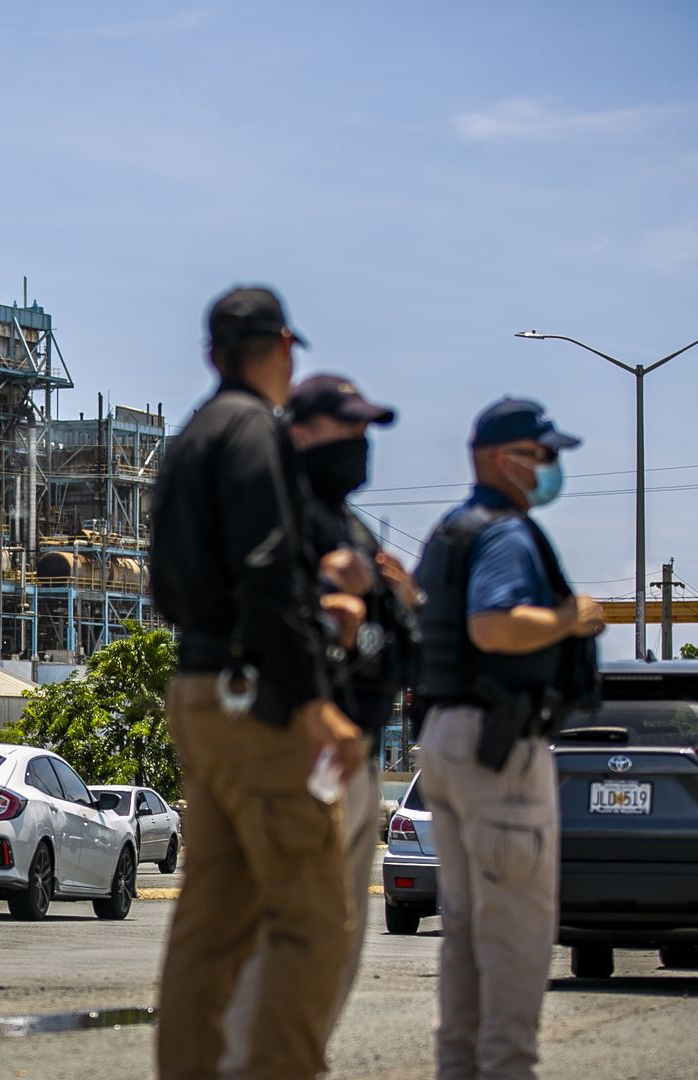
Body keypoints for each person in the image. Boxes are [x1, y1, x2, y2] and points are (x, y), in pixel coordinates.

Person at [149, 285, 364, 1080]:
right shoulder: (255, 434)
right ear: (281, 346)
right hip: (255, 705)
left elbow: (167, 586)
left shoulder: (191, 438)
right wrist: (314, 702)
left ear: (212, 354)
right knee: (313, 923)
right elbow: (269, 573)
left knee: (209, 927)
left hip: (196, 691)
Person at [220, 374, 421, 1077]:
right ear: (300, 431)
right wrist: (355, 625)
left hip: (357, 751)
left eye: (367, 430)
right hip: (302, 746)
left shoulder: (354, 529)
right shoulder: (283, 519)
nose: (361, 445)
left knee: (339, 936)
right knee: (295, 929)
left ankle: (300, 1058)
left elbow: (403, 646)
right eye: (347, 428)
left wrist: (387, 608)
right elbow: (274, 632)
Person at [411, 397, 605, 1080]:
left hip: (445, 739)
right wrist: (569, 617)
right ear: (504, 458)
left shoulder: (448, 532)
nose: (551, 468)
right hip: (498, 747)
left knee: (465, 936)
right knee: (517, 941)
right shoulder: (504, 533)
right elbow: (492, 627)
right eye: (543, 454)